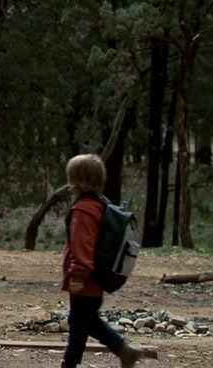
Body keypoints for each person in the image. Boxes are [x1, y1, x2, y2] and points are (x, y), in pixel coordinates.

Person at [61, 154, 143, 368]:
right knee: (87, 321)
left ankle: (70, 363)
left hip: (86, 280)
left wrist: (77, 275)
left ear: (75, 179)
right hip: (95, 278)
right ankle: (125, 351)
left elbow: (82, 246)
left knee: (78, 327)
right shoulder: (99, 204)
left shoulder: (83, 210)